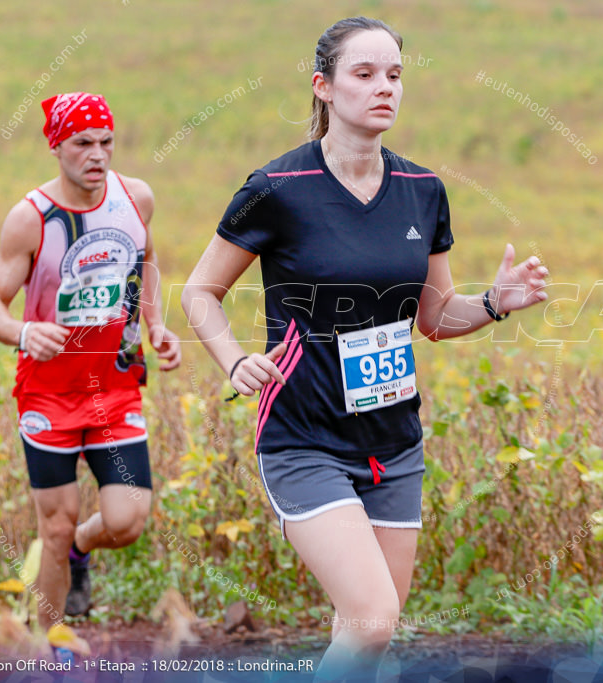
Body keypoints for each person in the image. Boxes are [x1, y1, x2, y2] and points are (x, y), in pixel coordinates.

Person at [182, 17, 548, 681]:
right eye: (365, 74)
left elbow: (434, 318)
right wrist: (235, 359)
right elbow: (200, 291)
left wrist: (495, 303)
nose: (385, 88)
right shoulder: (277, 188)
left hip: (394, 443)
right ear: (323, 87)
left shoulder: (422, 189)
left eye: (395, 75)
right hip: (303, 440)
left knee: (364, 634)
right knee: (374, 617)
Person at [0, 92, 181, 645]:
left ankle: (79, 551)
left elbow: (146, 261)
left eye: (106, 142)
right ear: (57, 147)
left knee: (126, 520)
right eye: (83, 144)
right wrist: (24, 332)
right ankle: (51, 646)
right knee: (56, 520)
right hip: (47, 396)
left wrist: (156, 326)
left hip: (114, 390)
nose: (98, 154)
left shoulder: (135, 198)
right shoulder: (31, 219)